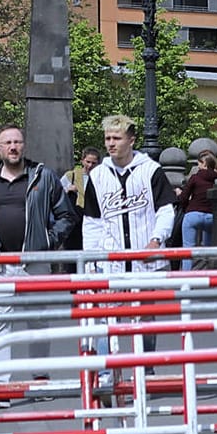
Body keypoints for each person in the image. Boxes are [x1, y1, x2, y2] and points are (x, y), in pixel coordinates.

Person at [0, 125, 79, 383]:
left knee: (37, 322)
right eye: (8, 143)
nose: (13, 147)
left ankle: (40, 378)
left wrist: (47, 241)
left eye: (17, 142)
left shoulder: (42, 176)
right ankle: (0, 384)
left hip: (34, 264)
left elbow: (66, 215)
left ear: (23, 145)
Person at [81, 115, 176, 358]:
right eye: (107, 138)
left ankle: (145, 367)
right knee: (106, 314)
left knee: (144, 314)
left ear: (131, 140)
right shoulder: (97, 175)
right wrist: (91, 260)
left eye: (116, 138)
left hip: (145, 258)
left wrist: (156, 239)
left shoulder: (151, 171)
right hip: (110, 260)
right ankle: (107, 370)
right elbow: (92, 221)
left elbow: (165, 210)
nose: (111, 143)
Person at [174, 150, 217, 270]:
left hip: (193, 215)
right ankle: (208, 274)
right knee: (208, 250)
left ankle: (186, 278)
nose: (198, 166)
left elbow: (184, 197)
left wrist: (185, 206)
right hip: (210, 216)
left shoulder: (195, 177)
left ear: (204, 164)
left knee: (188, 249)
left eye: (199, 163)